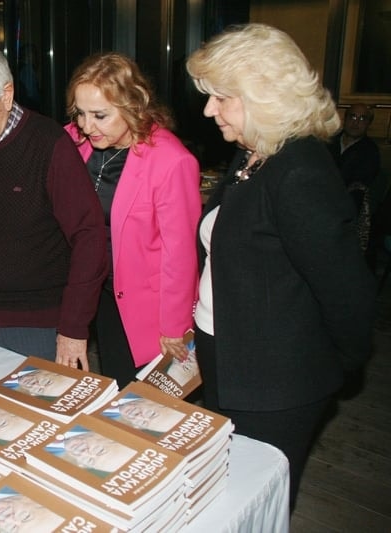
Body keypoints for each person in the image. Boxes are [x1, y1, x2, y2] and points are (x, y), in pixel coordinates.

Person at [186, 23, 376, 509]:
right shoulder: (254, 154)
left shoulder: (300, 172)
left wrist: (323, 368)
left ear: (262, 96)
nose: (209, 110)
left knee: (257, 502)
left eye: (221, 98)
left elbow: (348, 294)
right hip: (229, 360)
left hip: (275, 384)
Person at [0, 38, 108, 368]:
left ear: (7, 94)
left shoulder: (49, 145)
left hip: (41, 326)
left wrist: (73, 326)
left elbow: (90, 238)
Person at [64, 52, 201, 388]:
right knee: (112, 381)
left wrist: (175, 324)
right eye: (79, 113)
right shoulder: (79, 142)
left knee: (142, 401)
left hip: (145, 304)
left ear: (132, 106)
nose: (86, 125)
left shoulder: (171, 161)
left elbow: (180, 253)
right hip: (100, 290)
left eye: (100, 115)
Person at [328, 103, 382, 252]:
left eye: (362, 118)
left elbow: (359, 187)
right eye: (352, 116)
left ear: (368, 124)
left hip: (348, 207)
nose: (356, 122)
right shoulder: (328, 143)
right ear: (344, 119)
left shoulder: (370, 152)